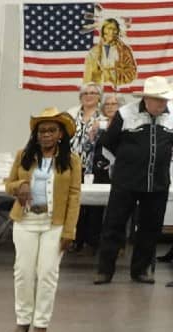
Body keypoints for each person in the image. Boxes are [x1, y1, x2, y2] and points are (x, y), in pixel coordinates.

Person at [6, 109, 81, 332]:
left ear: (60, 134)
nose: (46, 135)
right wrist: (20, 185)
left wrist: (69, 230)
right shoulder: (23, 156)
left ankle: (41, 323)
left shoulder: (71, 160)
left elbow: (74, 196)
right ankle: (23, 320)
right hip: (26, 221)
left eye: (52, 130)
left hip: (54, 224)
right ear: (36, 134)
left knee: (48, 273)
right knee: (23, 273)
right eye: (42, 131)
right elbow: (8, 185)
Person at [93, 75, 173, 284]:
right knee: (114, 225)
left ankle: (141, 270)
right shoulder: (125, 113)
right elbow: (106, 143)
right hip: (125, 182)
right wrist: (117, 168)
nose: (162, 104)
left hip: (157, 183)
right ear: (146, 98)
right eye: (158, 100)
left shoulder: (171, 116)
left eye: (164, 100)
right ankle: (104, 270)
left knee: (150, 228)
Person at [70, 84, 109, 251]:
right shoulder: (71, 114)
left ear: (99, 97)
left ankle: (92, 240)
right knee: (74, 202)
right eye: (85, 93)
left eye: (93, 93)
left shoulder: (105, 117)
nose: (88, 96)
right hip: (74, 164)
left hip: (96, 166)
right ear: (80, 97)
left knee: (94, 204)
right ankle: (74, 239)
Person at [85, 16, 138, 88]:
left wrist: (112, 74)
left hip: (119, 90)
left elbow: (132, 73)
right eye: (109, 28)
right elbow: (88, 77)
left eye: (114, 29)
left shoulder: (124, 50)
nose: (111, 32)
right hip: (99, 91)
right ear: (103, 30)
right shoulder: (94, 52)